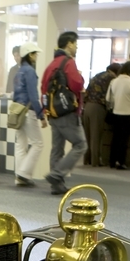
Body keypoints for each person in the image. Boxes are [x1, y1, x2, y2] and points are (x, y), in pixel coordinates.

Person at [41, 31, 86, 195]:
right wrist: (81, 78)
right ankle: (56, 175)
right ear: (69, 44)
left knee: (57, 148)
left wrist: (45, 110)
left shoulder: (51, 65)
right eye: (75, 44)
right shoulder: (68, 62)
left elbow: (43, 89)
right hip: (67, 113)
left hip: (53, 112)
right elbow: (76, 84)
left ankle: (57, 185)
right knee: (81, 144)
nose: (76, 48)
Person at [12, 42, 47, 187]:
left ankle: (20, 176)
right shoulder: (30, 71)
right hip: (28, 110)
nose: (37, 56)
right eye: (35, 54)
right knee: (38, 143)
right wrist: (41, 115)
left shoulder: (19, 71)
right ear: (30, 55)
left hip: (17, 110)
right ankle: (24, 173)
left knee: (21, 144)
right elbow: (33, 95)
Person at [105, 60, 130, 170]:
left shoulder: (114, 82)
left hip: (116, 113)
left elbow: (108, 98)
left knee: (115, 138)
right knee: (124, 140)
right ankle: (121, 162)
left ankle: (112, 161)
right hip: (128, 114)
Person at [82, 62, 121, 167]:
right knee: (96, 135)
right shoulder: (111, 79)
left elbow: (87, 91)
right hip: (98, 107)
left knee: (88, 135)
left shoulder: (98, 75)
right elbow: (111, 96)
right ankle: (95, 161)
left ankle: (87, 159)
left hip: (87, 107)